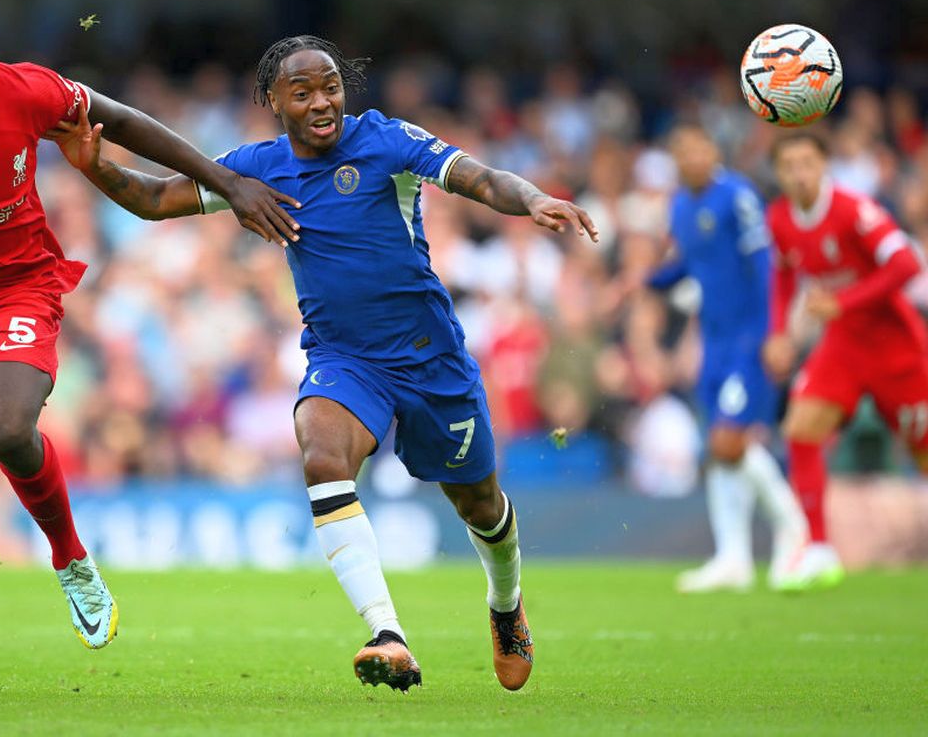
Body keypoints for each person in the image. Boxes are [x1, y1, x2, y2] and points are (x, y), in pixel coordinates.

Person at [47, 35, 597, 692]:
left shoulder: (388, 141)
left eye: (330, 87)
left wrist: (531, 198)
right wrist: (93, 165)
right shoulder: (256, 167)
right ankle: (387, 633)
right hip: (345, 358)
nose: (321, 102)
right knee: (321, 452)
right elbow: (154, 197)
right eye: (302, 92)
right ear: (272, 103)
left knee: (478, 503)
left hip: (431, 356)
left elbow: (478, 177)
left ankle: (506, 608)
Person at [0, 0, 296, 697]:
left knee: (5, 422)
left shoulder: (26, 90)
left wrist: (228, 183)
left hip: (20, 284)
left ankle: (70, 558)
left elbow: (122, 121)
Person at [645, 123, 807, 593]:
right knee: (720, 451)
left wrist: (774, 332)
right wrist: (645, 282)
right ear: (675, 159)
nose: (693, 157)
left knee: (728, 441)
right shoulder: (679, 205)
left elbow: (764, 264)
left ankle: (794, 528)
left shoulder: (737, 195)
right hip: (713, 341)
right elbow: (687, 265)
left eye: (700, 148)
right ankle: (732, 558)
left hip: (748, 336)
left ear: (713, 151)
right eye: (683, 150)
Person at [764, 131, 928, 589]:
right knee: (800, 429)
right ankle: (818, 548)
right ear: (778, 173)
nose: (799, 173)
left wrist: (846, 301)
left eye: (807, 162)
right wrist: (778, 335)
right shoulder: (778, 218)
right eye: (789, 165)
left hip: (895, 345)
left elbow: (906, 266)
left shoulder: (855, 209)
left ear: (824, 165)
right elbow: (781, 277)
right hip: (843, 344)